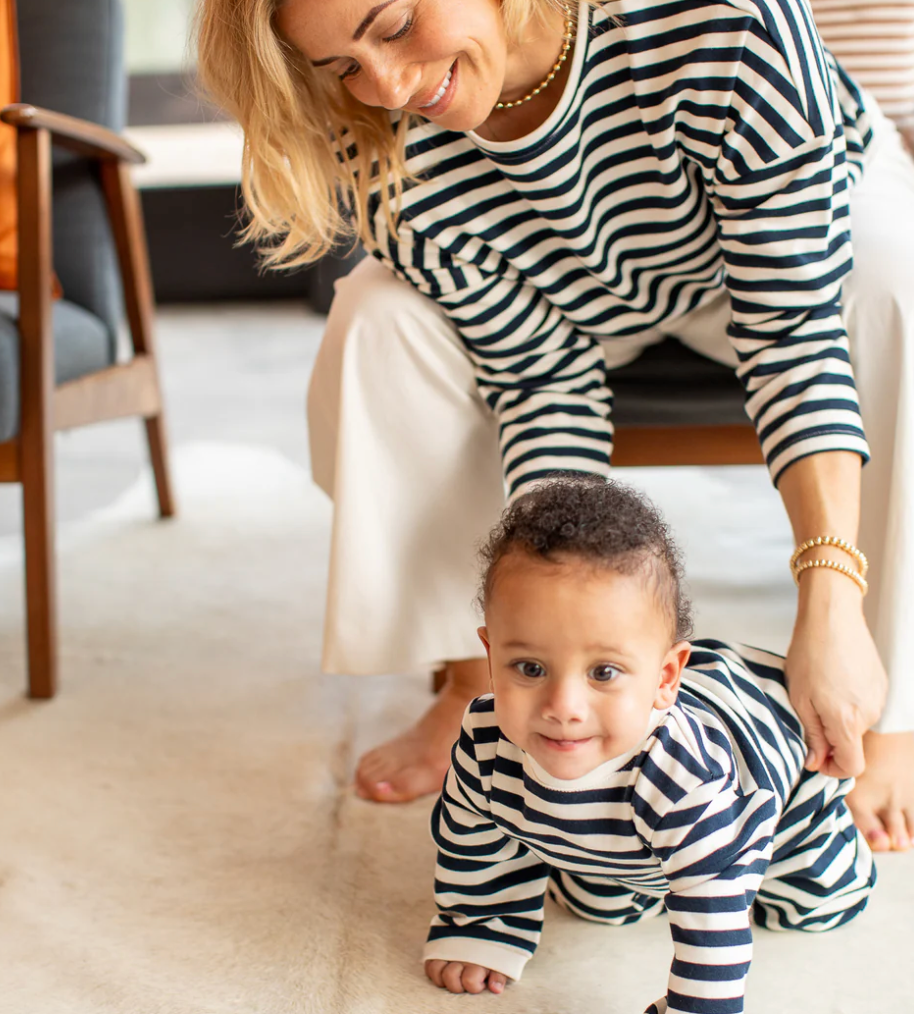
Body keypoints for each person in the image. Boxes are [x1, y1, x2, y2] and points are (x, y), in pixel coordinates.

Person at [195, 0, 914, 848]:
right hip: (576, 290)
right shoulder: (378, 139)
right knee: (373, 319)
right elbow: (540, 375)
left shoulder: (726, 22)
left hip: (793, 243)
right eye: (343, 65)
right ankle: (478, 685)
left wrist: (825, 597)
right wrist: (560, 631)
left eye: (391, 26)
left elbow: (792, 332)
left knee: (896, 289)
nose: (385, 85)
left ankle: (890, 699)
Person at [423, 474, 875, 1014]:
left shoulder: (684, 778)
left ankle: (826, 846)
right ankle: (638, 869)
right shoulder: (488, 734)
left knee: (813, 903)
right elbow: (476, 835)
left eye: (604, 672)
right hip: (639, 839)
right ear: (491, 655)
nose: (563, 705)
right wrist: (482, 921)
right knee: (603, 901)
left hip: (775, 790)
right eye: (529, 668)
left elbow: (713, 932)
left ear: (666, 679)